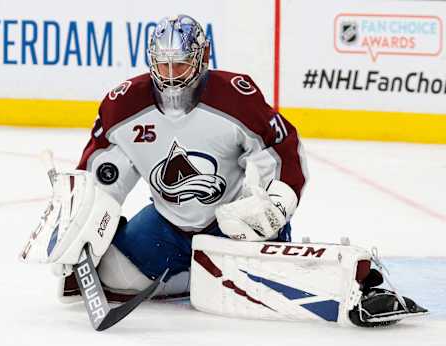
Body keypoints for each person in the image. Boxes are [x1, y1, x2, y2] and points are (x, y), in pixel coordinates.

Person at [58, 14, 308, 301]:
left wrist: (276, 201)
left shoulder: (236, 97)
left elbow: (281, 148)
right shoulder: (123, 106)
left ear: (203, 57)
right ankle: (199, 276)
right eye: (163, 64)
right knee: (116, 274)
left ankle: (213, 269)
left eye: (181, 63)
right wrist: (79, 225)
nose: (171, 74)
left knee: (266, 277)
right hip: (165, 223)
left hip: (229, 222)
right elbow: (102, 176)